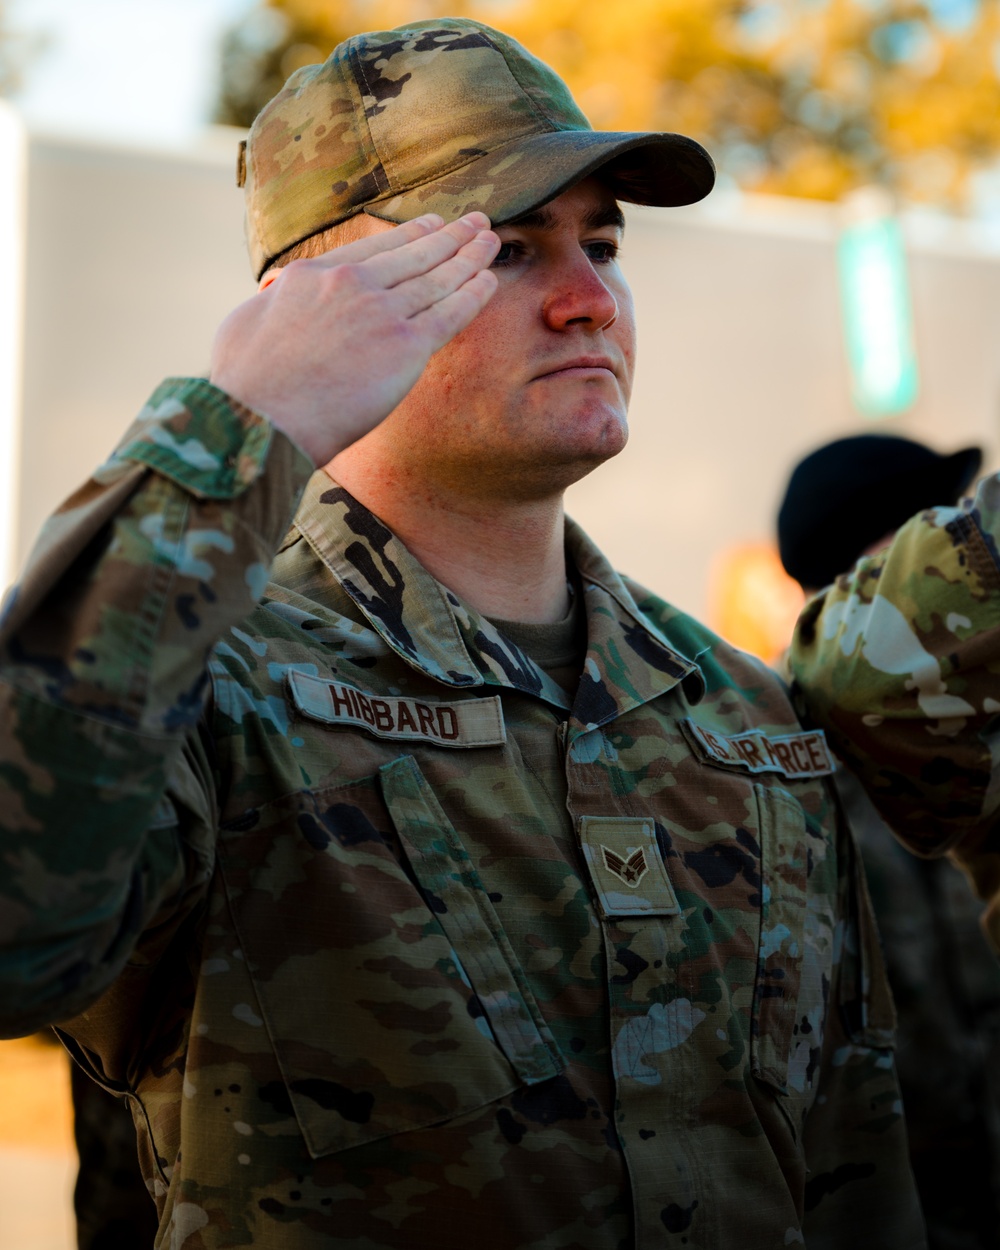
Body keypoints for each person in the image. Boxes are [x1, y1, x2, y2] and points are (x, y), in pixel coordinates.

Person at [0, 18, 926, 1249]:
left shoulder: (740, 718)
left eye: (601, 242)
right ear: (316, 302)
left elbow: (856, 1173)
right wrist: (238, 424)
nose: (590, 299)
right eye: (503, 248)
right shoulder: (210, 692)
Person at [778, 434, 1000, 1249]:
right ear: (885, 560)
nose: (952, 532)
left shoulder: (980, 729)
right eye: (932, 524)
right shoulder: (773, 766)